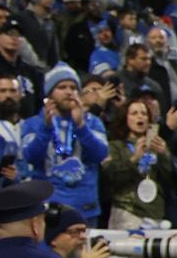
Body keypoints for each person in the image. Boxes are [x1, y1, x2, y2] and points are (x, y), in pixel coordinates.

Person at [21, 64, 110, 226]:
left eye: (73, 87)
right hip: (48, 208)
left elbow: (100, 154)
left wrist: (81, 127)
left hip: (85, 208)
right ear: (49, 94)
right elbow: (30, 157)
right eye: (61, 87)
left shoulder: (92, 122)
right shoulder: (33, 124)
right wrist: (46, 129)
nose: (69, 91)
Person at [103, 98, 173, 229]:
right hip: (127, 211)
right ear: (125, 118)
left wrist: (164, 155)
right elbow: (110, 177)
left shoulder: (158, 146)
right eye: (134, 113)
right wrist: (134, 159)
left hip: (155, 212)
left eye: (144, 113)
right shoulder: (115, 146)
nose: (140, 116)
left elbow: (168, 180)